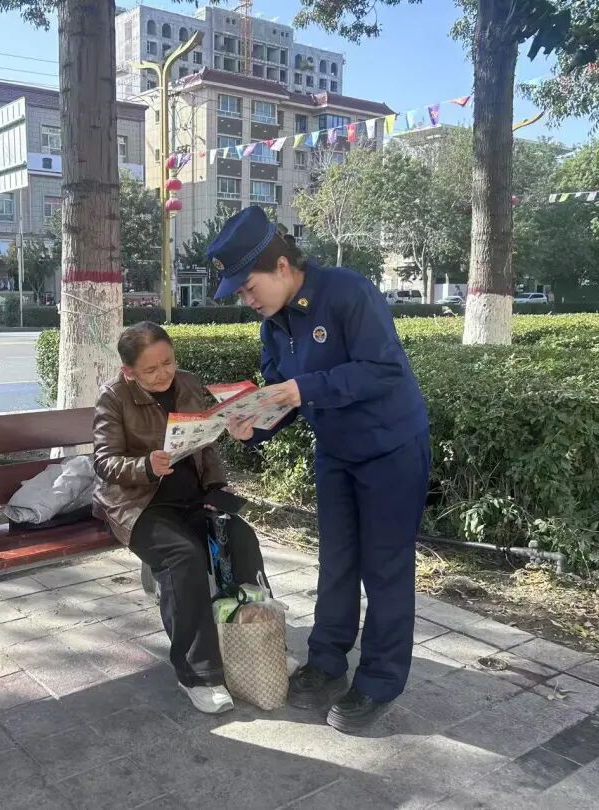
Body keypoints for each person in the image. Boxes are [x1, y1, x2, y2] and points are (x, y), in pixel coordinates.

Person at [209, 206, 430, 734]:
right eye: (240, 294)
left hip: (390, 447)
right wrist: (253, 426)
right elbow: (279, 395)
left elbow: (382, 370)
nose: (248, 300)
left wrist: (303, 388)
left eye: (250, 287)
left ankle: (379, 682)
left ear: (283, 266)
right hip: (335, 452)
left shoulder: (348, 292)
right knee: (336, 561)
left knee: (384, 568)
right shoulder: (274, 325)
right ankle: (327, 662)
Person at [93, 322, 268, 714]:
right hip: (139, 504)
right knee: (183, 556)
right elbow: (104, 462)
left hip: (193, 495)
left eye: (168, 362)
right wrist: (146, 465)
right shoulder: (113, 396)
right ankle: (198, 674)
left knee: (240, 537)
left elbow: (206, 444)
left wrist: (217, 485)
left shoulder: (187, 383)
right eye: (150, 369)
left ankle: (254, 639)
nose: (164, 374)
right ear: (128, 371)